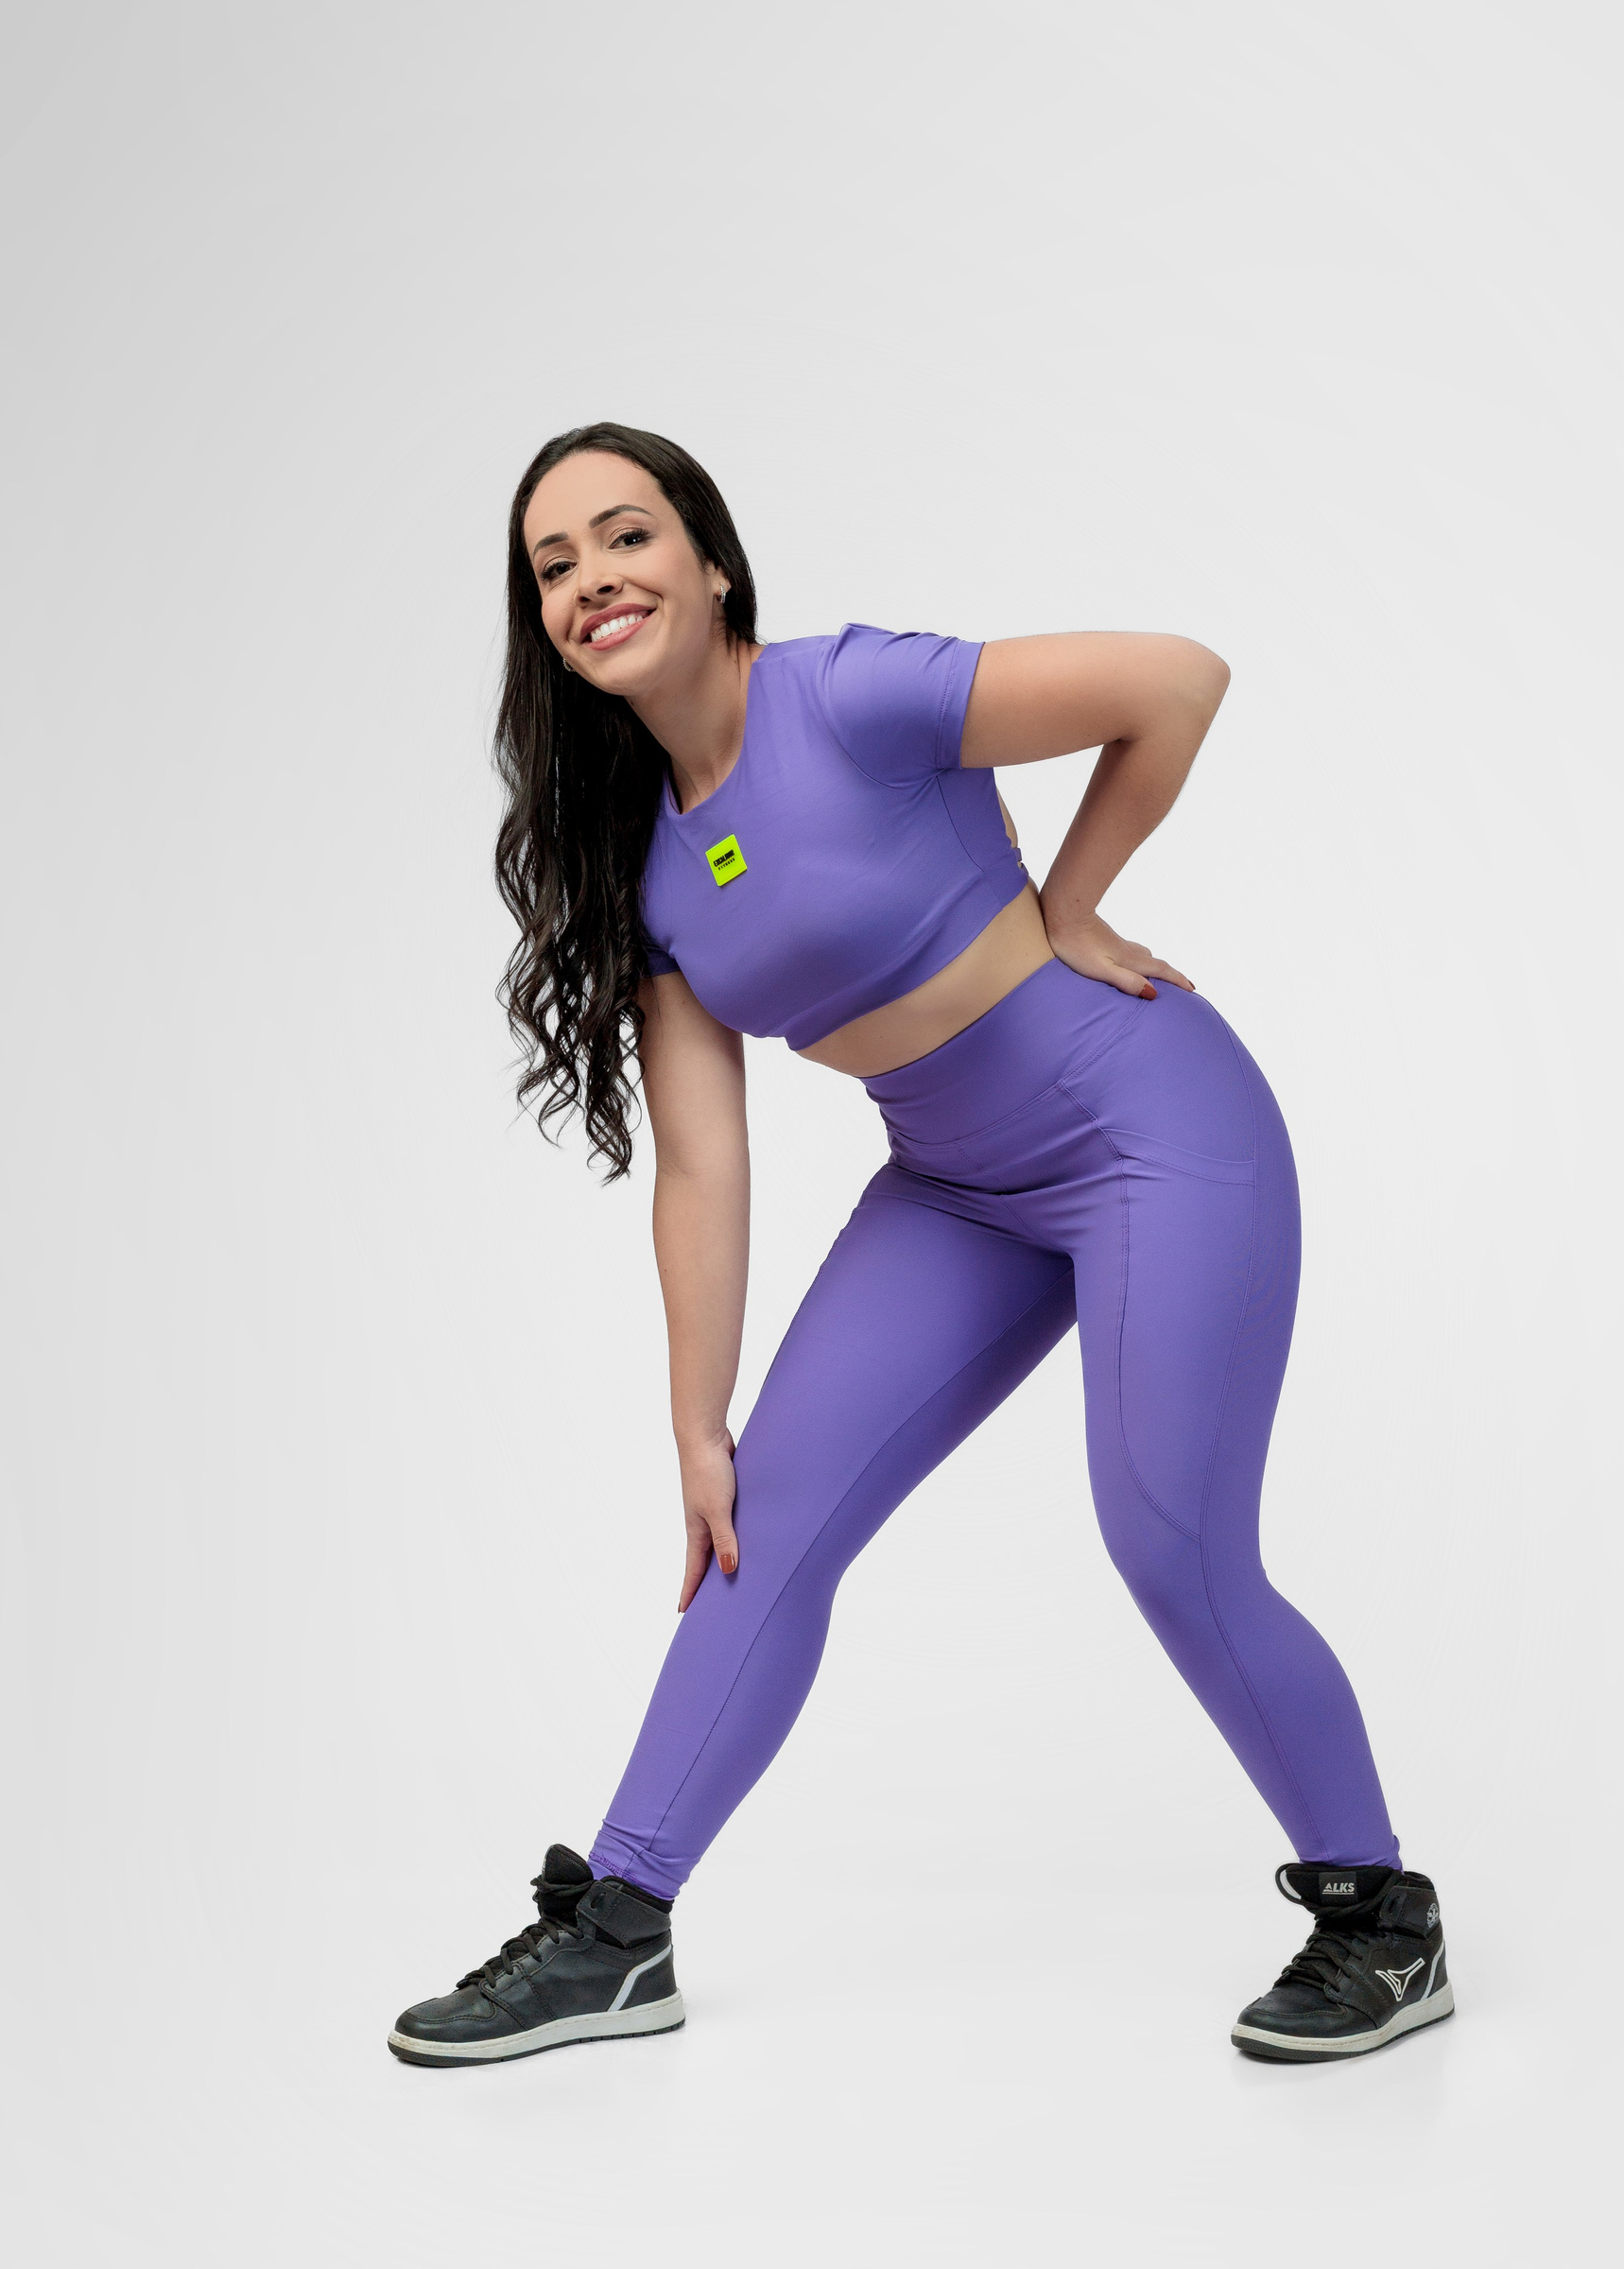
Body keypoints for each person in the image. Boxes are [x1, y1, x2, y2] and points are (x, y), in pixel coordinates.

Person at [387, 423, 1452, 2070]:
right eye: (555, 564)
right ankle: (616, 1933)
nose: (594, 577)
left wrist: (1072, 901)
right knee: (754, 1527)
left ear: (711, 563)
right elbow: (703, 1162)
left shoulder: (847, 694)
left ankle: (1382, 1919)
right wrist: (697, 1422)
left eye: (627, 535)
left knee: (1171, 1541)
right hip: (955, 1188)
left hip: (1150, 1128)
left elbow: (1175, 679)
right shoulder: (646, 860)